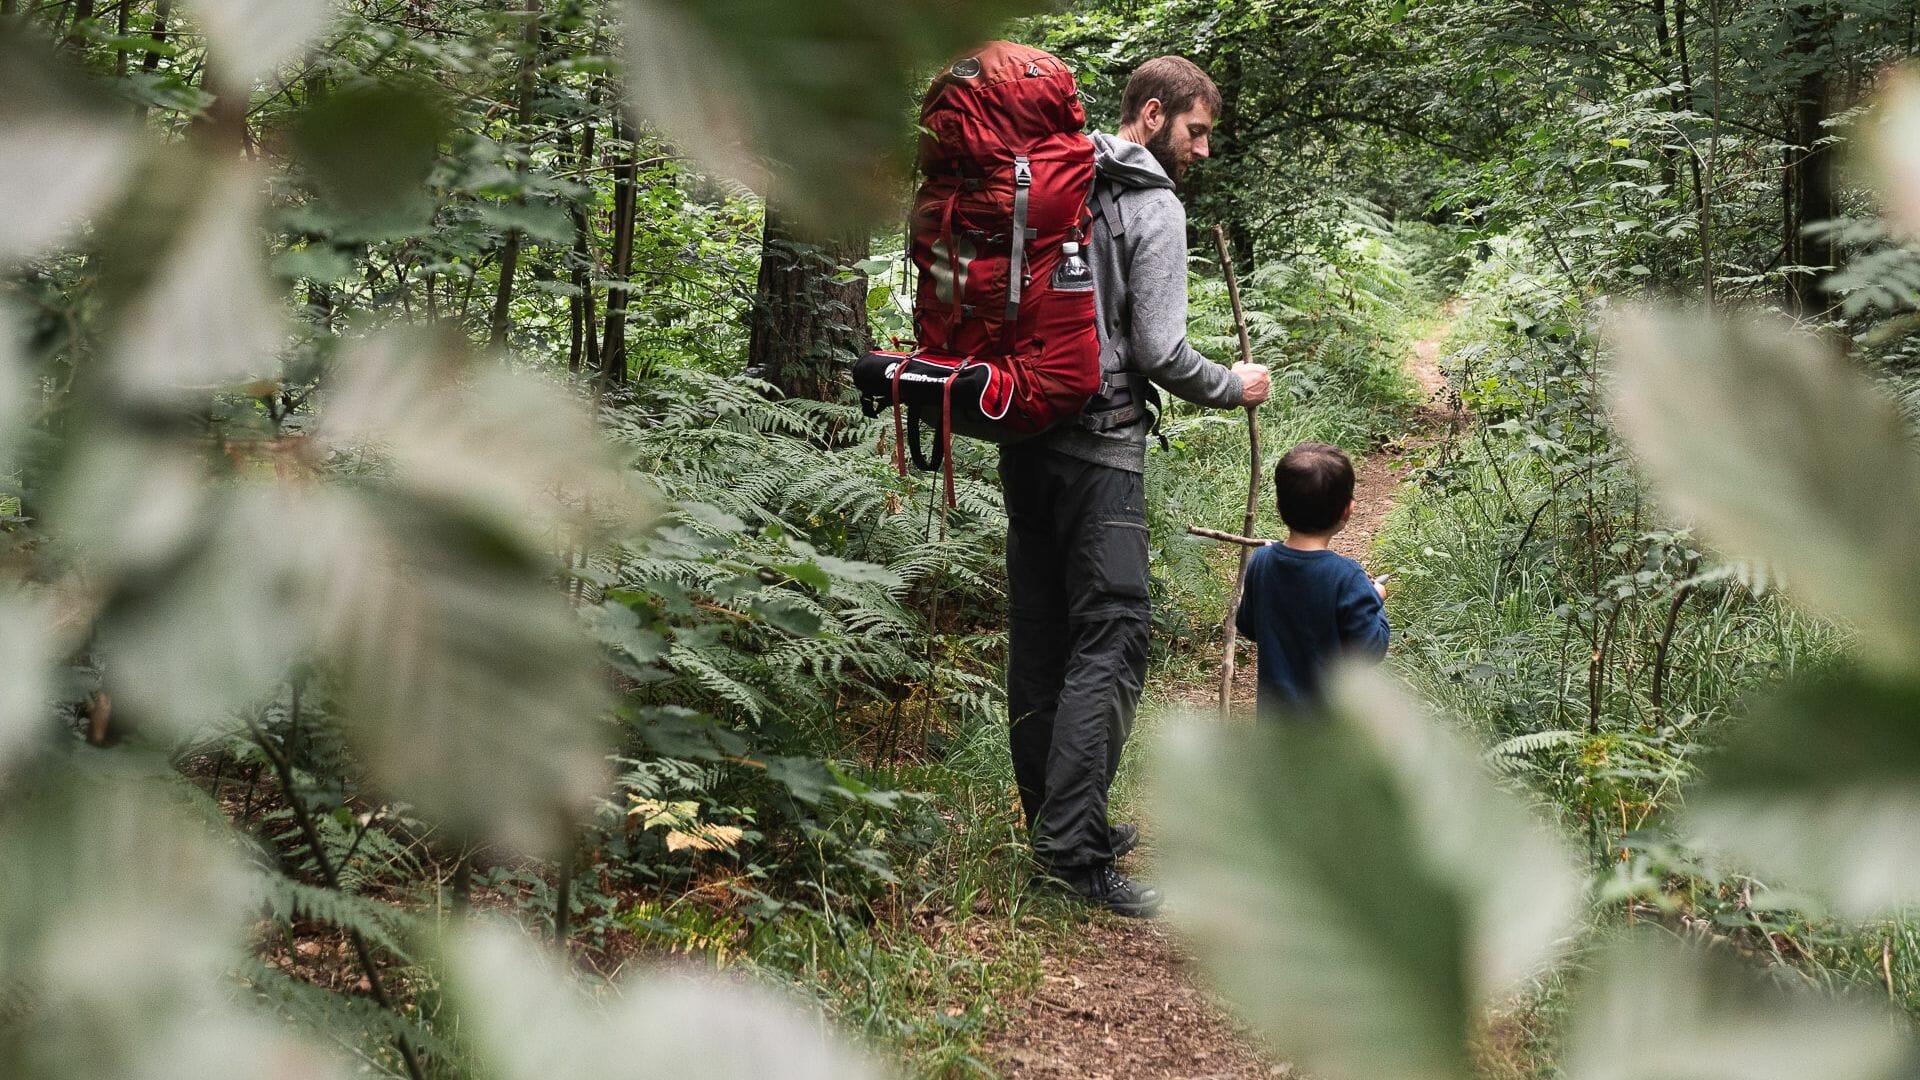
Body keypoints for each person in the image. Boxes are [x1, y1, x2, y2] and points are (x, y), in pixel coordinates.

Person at [999, 56, 1271, 918]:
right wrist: (1234, 384)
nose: (1200, 152)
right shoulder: (1150, 204)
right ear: (1150, 115)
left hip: (1021, 433)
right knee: (1112, 633)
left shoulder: (1050, 179)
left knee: (1042, 631)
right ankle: (1075, 854)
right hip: (1099, 446)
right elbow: (1159, 350)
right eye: (1195, 132)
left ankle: (1056, 820)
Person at [1235, 442, 1390, 717]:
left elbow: (1248, 625)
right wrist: (1375, 600)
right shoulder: (1348, 577)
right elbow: (1370, 649)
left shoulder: (1261, 561)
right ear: (1347, 511)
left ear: (1279, 506)